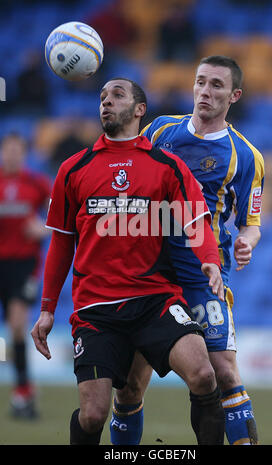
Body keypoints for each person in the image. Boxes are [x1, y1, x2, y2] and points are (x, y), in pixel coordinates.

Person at [31, 77, 226, 445]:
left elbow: (195, 220)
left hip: (155, 300)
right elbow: (60, 243)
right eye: (102, 96)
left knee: (203, 374)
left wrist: (209, 260)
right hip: (97, 309)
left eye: (117, 95)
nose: (106, 101)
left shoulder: (166, 166)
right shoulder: (74, 169)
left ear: (139, 109)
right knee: (92, 416)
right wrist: (46, 309)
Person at [110, 56, 264, 446]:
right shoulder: (161, 130)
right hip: (149, 271)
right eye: (200, 82)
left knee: (224, 373)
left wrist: (247, 240)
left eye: (216, 85)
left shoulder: (245, 156)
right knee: (129, 385)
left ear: (234, 96)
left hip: (203, 274)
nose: (205, 92)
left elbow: (252, 220)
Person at [0, 132, 52, 418]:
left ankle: (22, 390)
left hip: (23, 265)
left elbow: (62, 219)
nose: (11, 155)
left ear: (24, 154)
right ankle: (25, 391)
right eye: (7, 150)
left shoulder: (36, 184)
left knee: (17, 324)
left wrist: (43, 229)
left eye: (17, 150)